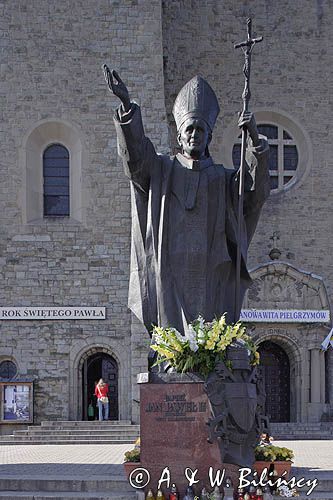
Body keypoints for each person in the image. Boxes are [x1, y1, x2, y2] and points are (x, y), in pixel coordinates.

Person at [103, 67, 269, 335]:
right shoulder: (161, 169)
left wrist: (254, 139)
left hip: (212, 268)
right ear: (179, 136)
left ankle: (211, 353)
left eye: (200, 131)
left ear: (208, 138)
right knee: (170, 333)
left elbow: (252, 194)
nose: (194, 135)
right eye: (189, 129)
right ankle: (171, 356)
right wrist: (126, 106)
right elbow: (135, 160)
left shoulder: (222, 178)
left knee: (212, 332)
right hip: (169, 266)